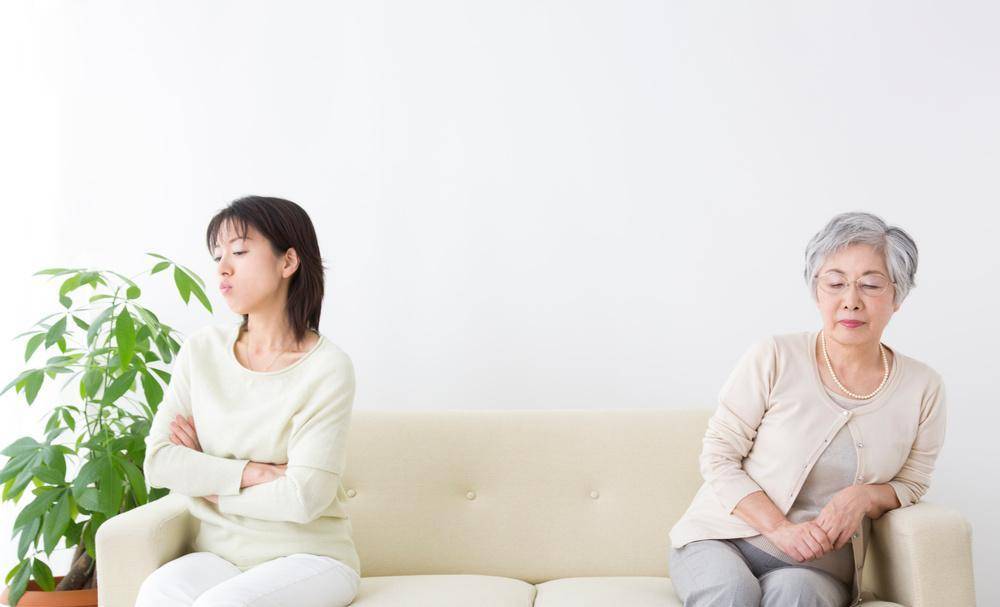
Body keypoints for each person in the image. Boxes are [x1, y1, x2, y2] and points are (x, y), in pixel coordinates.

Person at [668, 211, 947, 607]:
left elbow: (913, 483)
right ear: (817, 291)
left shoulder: (923, 387)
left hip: (817, 567)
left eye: (870, 285)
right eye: (835, 283)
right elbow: (718, 456)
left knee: (796, 596)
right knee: (732, 593)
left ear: (897, 296)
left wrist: (864, 497)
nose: (851, 301)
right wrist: (780, 529)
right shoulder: (774, 355)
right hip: (720, 539)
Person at [136, 196, 362, 607]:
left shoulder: (327, 368)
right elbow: (160, 461)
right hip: (221, 556)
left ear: (288, 261)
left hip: (311, 558)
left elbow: (303, 498)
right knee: (157, 593)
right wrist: (254, 472)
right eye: (218, 255)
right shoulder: (201, 351)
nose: (223, 267)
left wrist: (210, 486)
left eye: (239, 252)